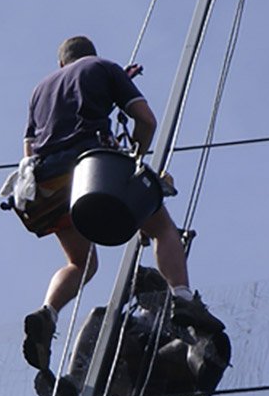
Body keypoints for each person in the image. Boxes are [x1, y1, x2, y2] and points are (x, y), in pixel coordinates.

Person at [19, 35, 224, 372]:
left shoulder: (39, 90)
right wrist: (135, 163)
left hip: (47, 182)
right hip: (90, 166)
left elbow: (29, 150)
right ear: (91, 55)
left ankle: (47, 313)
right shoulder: (103, 68)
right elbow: (147, 121)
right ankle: (183, 299)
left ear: (61, 64)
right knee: (161, 228)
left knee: (80, 263)